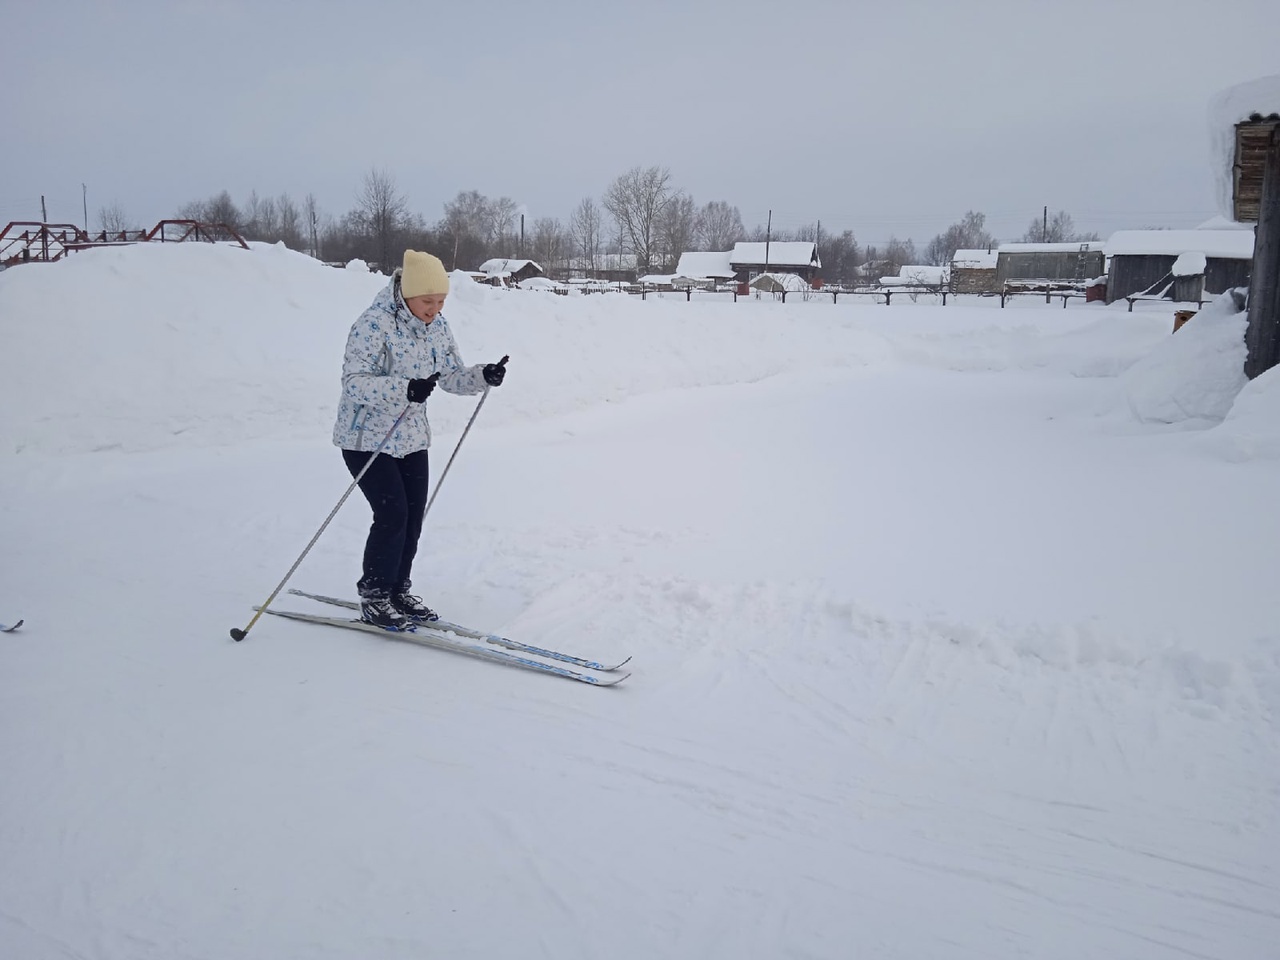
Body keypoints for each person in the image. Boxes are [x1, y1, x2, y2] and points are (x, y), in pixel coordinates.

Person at [332, 249, 507, 629]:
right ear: (407, 293)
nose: (435, 309)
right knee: (392, 514)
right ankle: (375, 595)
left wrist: (482, 375)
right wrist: (405, 389)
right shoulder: (373, 324)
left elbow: (451, 376)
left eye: (441, 301)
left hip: (411, 437)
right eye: (428, 301)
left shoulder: (437, 327)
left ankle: (397, 589)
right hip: (366, 439)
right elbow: (354, 383)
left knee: (412, 517)